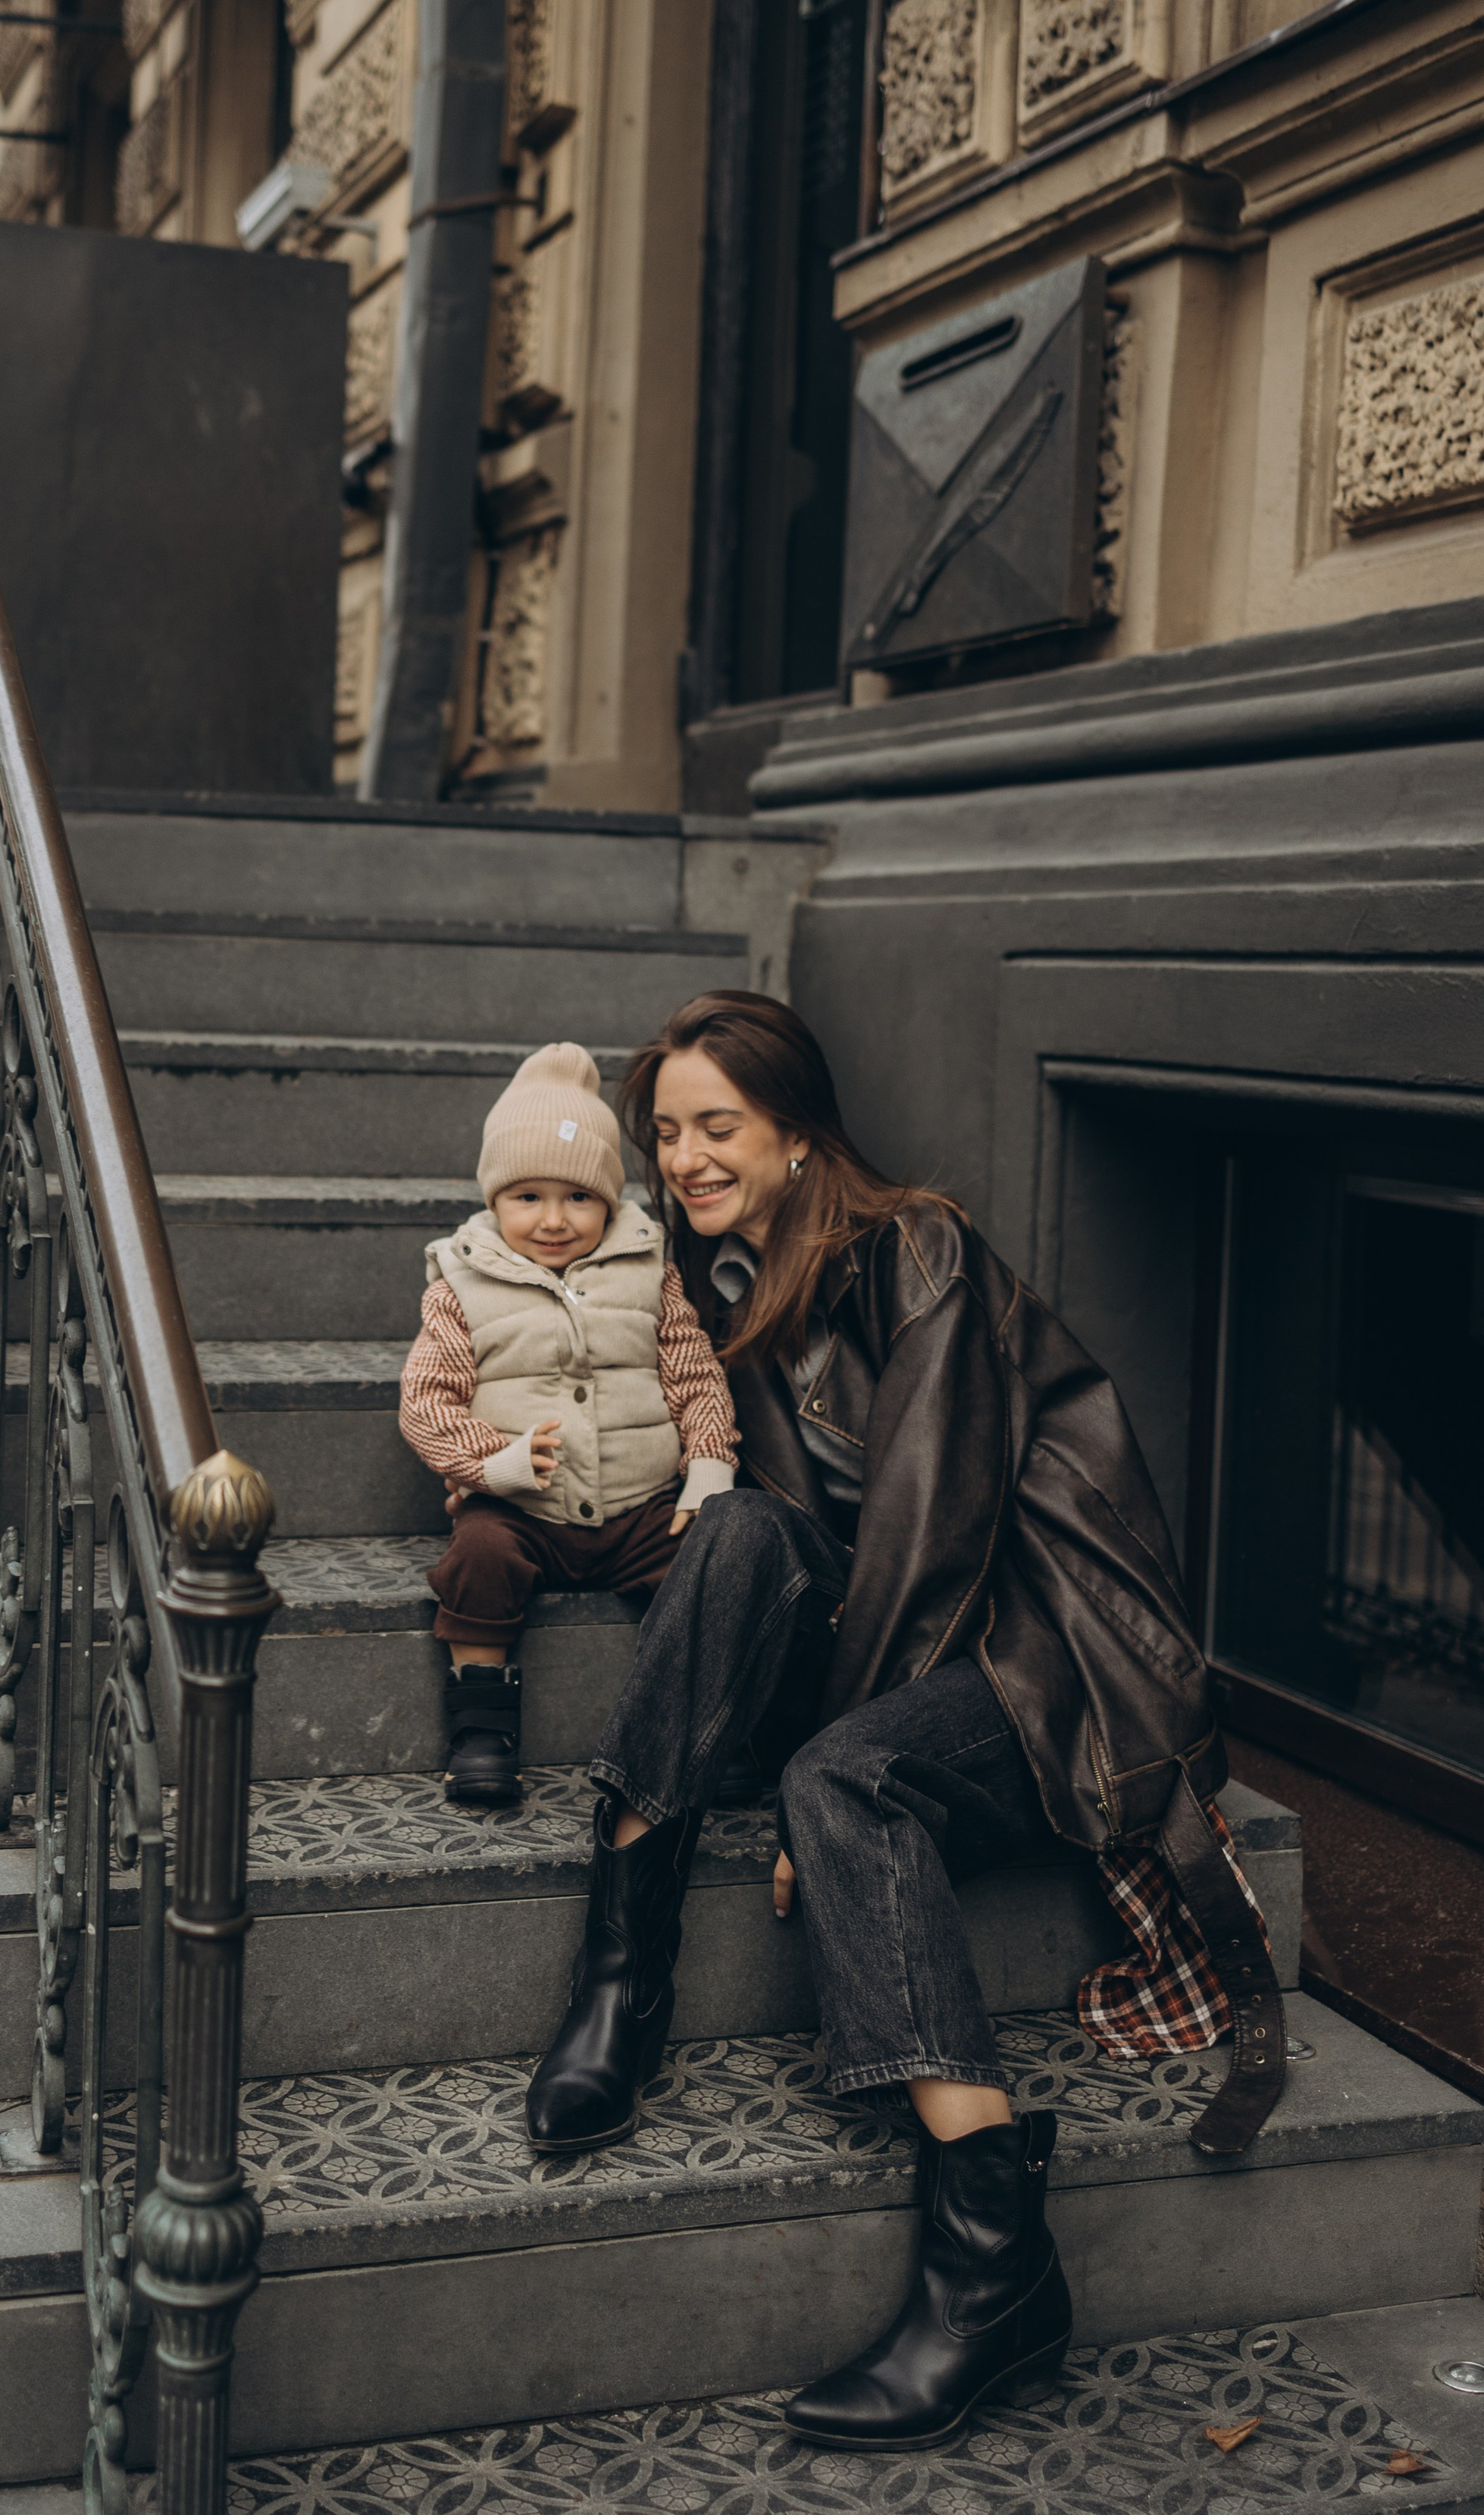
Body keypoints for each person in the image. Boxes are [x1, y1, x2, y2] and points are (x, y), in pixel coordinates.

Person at [524, 990, 1283, 2452]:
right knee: (737, 1530)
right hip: (888, 1638)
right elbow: (763, 1532)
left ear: (800, 1134)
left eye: (717, 1126)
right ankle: (622, 1978)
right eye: (665, 1132)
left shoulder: (917, 1250)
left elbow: (934, 1541)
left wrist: (816, 1800)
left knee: (846, 1784)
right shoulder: (722, 1288)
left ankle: (996, 2274)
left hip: (1040, 1652)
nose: (683, 1157)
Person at [399, 1042, 739, 1806]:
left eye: (579, 1198)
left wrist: (709, 1464)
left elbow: (694, 1374)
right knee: (479, 1556)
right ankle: (482, 1726)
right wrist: (493, 1463)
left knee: (705, 1567)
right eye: (528, 1197)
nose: (554, 1220)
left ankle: (710, 1729)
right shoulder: (460, 1285)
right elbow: (426, 1403)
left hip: (642, 1507)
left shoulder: (649, 1270)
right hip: (522, 1507)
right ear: (495, 1200)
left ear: (610, 1203)